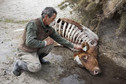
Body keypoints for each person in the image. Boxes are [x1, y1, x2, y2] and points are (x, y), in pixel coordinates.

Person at [13, 7, 82, 76]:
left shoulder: (49, 28)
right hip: (25, 50)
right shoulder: (33, 24)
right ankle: (19, 64)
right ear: (46, 17)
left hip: (34, 49)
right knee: (36, 67)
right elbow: (30, 42)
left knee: (51, 45)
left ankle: (39, 59)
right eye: (52, 19)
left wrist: (74, 46)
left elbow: (60, 39)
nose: (54, 21)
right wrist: (45, 43)